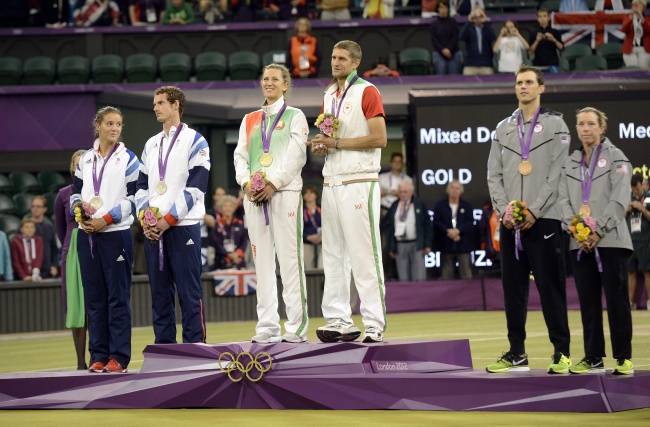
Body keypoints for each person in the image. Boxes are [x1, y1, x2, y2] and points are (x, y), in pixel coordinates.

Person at [486, 65, 572, 374]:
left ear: (541, 88)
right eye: (519, 82)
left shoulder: (557, 125)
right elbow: (493, 174)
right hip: (511, 223)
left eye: (529, 82)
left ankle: (561, 352)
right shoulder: (503, 127)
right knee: (513, 288)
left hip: (544, 220)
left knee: (550, 287)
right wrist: (503, 211)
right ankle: (517, 352)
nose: (523, 87)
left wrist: (534, 210)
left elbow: (558, 174)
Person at [307, 40, 387, 343]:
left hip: (359, 179)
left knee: (365, 253)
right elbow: (330, 136)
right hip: (331, 179)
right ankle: (339, 319)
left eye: (342, 58)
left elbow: (379, 138)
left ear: (356, 63)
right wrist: (322, 142)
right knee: (334, 254)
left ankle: (374, 322)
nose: (335, 62)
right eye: (333, 57)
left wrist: (337, 144)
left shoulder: (367, 91)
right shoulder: (329, 93)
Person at [234, 63, 309, 343]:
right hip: (254, 198)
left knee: (290, 261)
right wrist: (246, 183)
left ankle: (296, 326)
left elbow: (296, 156)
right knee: (262, 264)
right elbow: (240, 156)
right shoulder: (250, 118)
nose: (269, 83)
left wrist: (273, 183)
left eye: (275, 79)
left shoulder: (295, 116)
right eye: (265, 79)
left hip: (284, 193)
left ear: (285, 85)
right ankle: (267, 325)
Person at [557, 107, 634, 375]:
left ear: (602, 128)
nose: (585, 128)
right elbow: (562, 200)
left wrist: (598, 230)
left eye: (591, 124)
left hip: (611, 241)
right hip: (579, 242)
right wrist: (576, 229)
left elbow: (620, 199)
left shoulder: (618, 159)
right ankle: (593, 356)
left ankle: (623, 357)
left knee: (617, 301)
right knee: (588, 303)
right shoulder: (569, 162)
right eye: (580, 124)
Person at [136, 86, 210, 345]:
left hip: (183, 226)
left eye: (160, 103)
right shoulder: (150, 144)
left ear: (176, 104)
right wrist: (146, 218)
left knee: (189, 293)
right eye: (155, 103)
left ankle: (196, 350)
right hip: (153, 229)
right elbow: (141, 186)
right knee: (159, 294)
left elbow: (197, 186)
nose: (155, 107)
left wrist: (167, 220)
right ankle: (165, 349)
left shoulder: (196, 140)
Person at [71, 106, 138, 373]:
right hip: (87, 236)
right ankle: (98, 355)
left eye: (119, 124)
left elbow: (134, 199)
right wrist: (80, 213)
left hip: (116, 235)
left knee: (117, 299)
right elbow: (76, 192)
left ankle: (119, 357)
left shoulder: (130, 160)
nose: (114, 128)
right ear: (97, 125)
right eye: (109, 123)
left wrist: (105, 219)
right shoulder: (86, 159)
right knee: (95, 299)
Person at [54, 149, 88, 370]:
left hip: (96, 246)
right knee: (77, 307)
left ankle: (99, 357)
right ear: (72, 169)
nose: (80, 169)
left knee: (95, 306)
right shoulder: (63, 194)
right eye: (77, 165)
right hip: (72, 251)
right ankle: (80, 362)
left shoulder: (99, 193)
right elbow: (60, 228)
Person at [384, 178, 432, 282]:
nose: (403, 194)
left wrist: (427, 244)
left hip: (417, 244)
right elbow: (388, 227)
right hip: (400, 245)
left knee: (419, 276)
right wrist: (391, 246)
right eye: (400, 192)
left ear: (411, 192)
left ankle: (420, 297)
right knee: (403, 277)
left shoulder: (419, 204)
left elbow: (428, 225)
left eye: (405, 192)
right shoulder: (394, 206)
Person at [433, 180, 474, 280]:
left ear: (461, 191)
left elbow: (470, 223)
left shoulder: (466, 206)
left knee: (466, 276)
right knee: (446, 276)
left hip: (463, 245)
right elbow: (436, 221)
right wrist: (448, 231)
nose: (454, 190)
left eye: (457, 188)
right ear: (448, 190)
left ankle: (469, 295)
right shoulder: (440, 205)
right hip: (446, 245)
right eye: (452, 188)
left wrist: (457, 231)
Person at [626, 173, 650, 310]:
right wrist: (628, 209)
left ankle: (649, 301)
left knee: (647, 271)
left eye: (638, 188)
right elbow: (619, 218)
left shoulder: (648, 197)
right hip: (630, 239)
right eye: (633, 189)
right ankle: (630, 301)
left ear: (643, 184)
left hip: (645, 239)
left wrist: (642, 209)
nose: (635, 191)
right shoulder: (627, 197)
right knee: (631, 271)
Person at [210, 195, 247, 270]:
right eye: (225, 206)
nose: (228, 208)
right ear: (220, 208)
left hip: (238, 261)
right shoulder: (216, 225)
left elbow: (244, 242)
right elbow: (216, 244)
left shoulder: (239, 224)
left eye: (230, 206)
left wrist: (237, 254)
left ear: (234, 208)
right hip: (221, 263)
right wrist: (229, 255)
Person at [25, 195, 59, 279]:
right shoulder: (25, 226)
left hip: (47, 271)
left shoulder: (49, 226)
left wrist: (54, 265)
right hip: (30, 273)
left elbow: (54, 248)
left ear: (44, 209)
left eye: (38, 206)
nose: (35, 209)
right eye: (33, 206)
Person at [459, 7, 495, 76]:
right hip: (470, 65)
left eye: (480, 15)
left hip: (486, 65)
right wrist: (469, 21)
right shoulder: (469, 29)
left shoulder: (487, 28)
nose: (478, 18)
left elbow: (492, 37)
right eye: (476, 15)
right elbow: (462, 37)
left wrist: (485, 21)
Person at [430, 0, 462, 76]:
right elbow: (434, 40)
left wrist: (449, 49)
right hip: (439, 53)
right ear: (437, 9)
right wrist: (443, 50)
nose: (443, 9)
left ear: (448, 9)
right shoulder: (434, 24)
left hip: (453, 53)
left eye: (445, 7)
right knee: (441, 79)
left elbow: (455, 37)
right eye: (441, 7)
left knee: (454, 79)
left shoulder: (453, 22)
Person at [621, 0, 650, 69]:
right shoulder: (627, 17)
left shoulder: (648, 18)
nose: (637, 5)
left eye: (639, 3)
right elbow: (623, 29)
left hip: (644, 49)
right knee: (632, 70)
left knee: (644, 71)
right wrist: (631, 17)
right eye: (635, 4)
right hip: (630, 50)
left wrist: (641, 18)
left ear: (644, 7)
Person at [302, 185, 323, 269]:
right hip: (307, 242)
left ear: (316, 195)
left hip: (323, 242)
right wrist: (307, 237)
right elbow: (297, 229)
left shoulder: (323, 209)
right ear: (303, 196)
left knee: (322, 266)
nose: (309, 195)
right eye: (306, 193)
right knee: (308, 268)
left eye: (311, 192)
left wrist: (323, 237)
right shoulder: (300, 211)